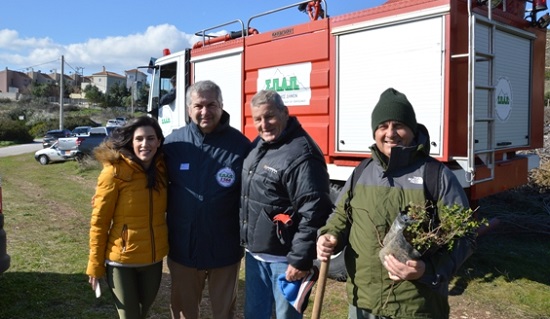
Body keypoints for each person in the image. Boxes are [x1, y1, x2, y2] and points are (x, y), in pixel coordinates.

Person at [316, 88, 475, 319]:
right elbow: (341, 215)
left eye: (398, 125)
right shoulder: (362, 172)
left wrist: (426, 270)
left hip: (415, 307)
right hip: (363, 303)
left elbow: (466, 235)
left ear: (412, 130)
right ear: (375, 133)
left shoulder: (436, 175)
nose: (390, 133)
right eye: (382, 126)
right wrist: (329, 235)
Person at [240, 89, 333, 319]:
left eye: (269, 116)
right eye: (258, 119)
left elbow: (314, 211)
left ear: (285, 113)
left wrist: (300, 259)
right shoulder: (258, 146)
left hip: (285, 261)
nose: (264, 124)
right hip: (256, 256)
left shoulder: (302, 154)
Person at [163, 80, 251, 319]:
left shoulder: (241, 145)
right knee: (183, 312)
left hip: (225, 248)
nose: (205, 111)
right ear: (189, 109)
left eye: (211, 104)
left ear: (221, 106)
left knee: (224, 313)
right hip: (183, 247)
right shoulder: (173, 144)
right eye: (198, 105)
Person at [86, 116, 168, 319]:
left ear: (158, 141)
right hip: (121, 261)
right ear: (131, 141)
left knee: (144, 311)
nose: (145, 144)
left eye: (150, 138)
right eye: (139, 139)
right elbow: (99, 222)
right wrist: (95, 265)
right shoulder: (114, 172)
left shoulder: (163, 169)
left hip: (153, 259)